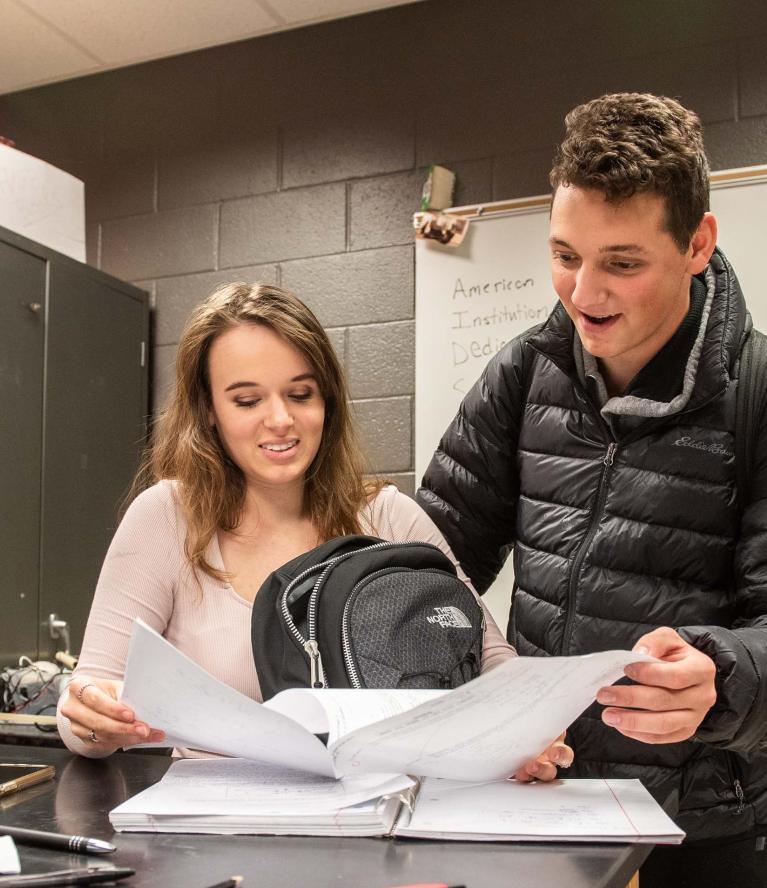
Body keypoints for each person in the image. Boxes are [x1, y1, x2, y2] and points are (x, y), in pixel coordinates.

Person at [418, 93, 767, 888]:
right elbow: (428, 566)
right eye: (565, 254)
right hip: (553, 818)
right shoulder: (522, 373)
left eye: (622, 262)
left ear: (698, 241)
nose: (584, 291)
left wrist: (722, 672)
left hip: (713, 838)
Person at [58, 281, 568, 780]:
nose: (280, 419)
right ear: (208, 412)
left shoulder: (389, 517)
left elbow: (490, 660)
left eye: (300, 394)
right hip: (215, 834)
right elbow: (89, 698)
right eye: (247, 400)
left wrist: (528, 729)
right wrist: (92, 721)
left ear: (327, 400)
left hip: (375, 824)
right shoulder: (166, 516)